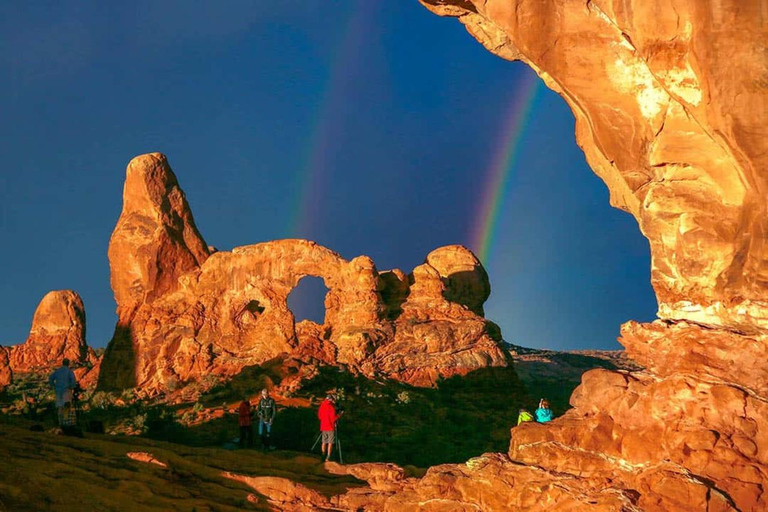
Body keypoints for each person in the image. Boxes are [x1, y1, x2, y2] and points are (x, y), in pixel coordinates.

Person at [48, 359, 77, 426]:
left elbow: (50, 378)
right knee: (67, 406)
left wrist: (53, 386)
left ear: (62, 363)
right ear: (68, 363)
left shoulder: (58, 371)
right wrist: (72, 386)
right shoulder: (69, 371)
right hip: (66, 390)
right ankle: (66, 422)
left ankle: (60, 422)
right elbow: (73, 380)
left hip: (58, 391)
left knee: (60, 406)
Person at [318, 394, 342, 462]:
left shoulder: (322, 406)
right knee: (330, 442)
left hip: (323, 426)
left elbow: (319, 416)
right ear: (331, 400)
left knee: (324, 442)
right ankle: (328, 457)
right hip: (330, 427)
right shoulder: (331, 407)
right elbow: (333, 418)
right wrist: (339, 415)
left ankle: (323, 455)